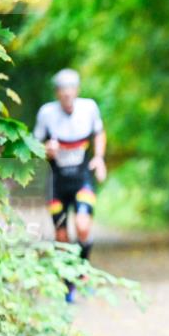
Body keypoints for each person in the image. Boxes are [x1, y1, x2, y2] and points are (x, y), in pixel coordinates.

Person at [33, 69, 107, 303]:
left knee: (83, 227)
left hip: (82, 177)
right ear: (57, 93)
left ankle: (83, 272)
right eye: (62, 90)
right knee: (62, 236)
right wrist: (46, 150)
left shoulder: (89, 108)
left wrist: (99, 158)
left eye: (70, 88)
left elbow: (99, 133)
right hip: (56, 181)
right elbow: (34, 145)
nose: (66, 93)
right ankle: (67, 283)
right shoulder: (46, 113)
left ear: (77, 90)